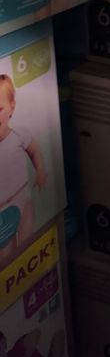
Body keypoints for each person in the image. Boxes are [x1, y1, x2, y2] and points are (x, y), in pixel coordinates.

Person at [0, 74, 47, 265]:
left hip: (23, 197)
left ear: (12, 107)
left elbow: (35, 151)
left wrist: (41, 171)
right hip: (2, 209)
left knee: (27, 242)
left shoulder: (19, 135)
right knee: (6, 254)